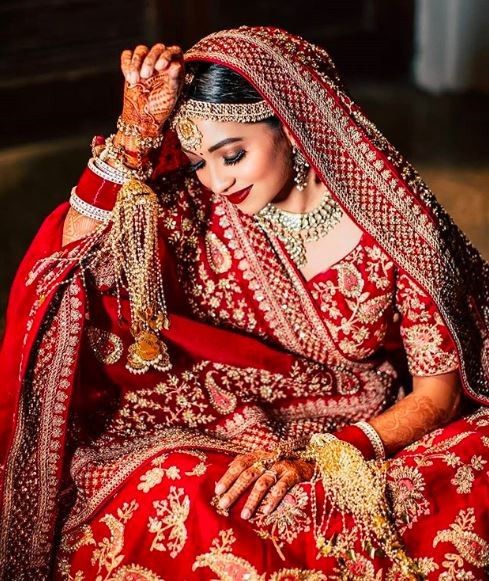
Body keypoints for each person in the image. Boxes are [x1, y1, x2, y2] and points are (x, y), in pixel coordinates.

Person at [0, 25, 488, 580]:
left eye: (232, 154)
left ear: (293, 124)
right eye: (199, 160)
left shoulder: (395, 230)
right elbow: (69, 260)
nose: (216, 180)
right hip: (199, 408)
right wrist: (134, 136)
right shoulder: (198, 206)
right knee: (174, 492)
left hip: (350, 418)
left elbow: (438, 393)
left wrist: (328, 456)